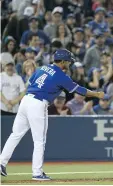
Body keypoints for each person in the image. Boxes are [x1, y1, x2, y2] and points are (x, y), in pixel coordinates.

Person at [0, 49, 104, 180]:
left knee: (15, 134)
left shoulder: (43, 67)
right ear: (62, 61)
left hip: (26, 101)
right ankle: (37, 173)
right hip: (38, 103)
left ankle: (1, 163)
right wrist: (96, 94)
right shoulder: (61, 75)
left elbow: (31, 82)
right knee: (39, 141)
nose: (69, 63)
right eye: (68, 61)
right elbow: (79, 90)